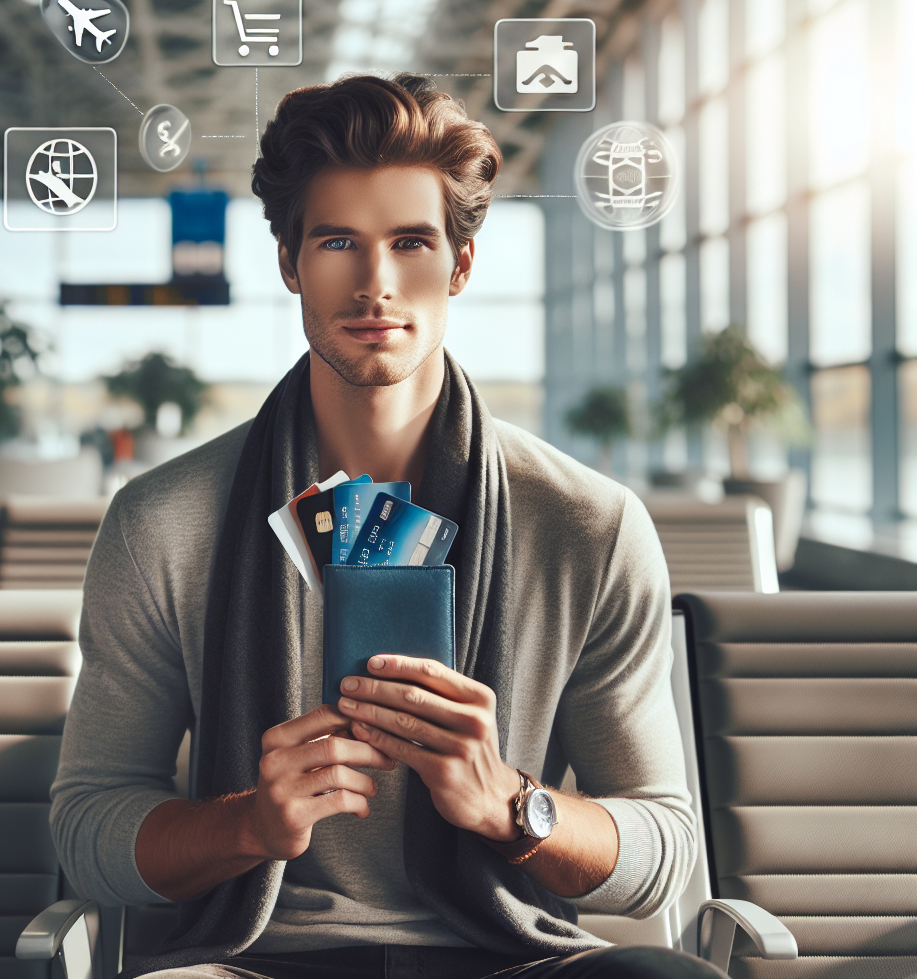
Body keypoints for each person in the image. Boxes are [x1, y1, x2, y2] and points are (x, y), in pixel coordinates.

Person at [51, 74, 722, 979]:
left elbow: (665, 851)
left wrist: (511, 805)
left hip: (509, 957)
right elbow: (88, 830)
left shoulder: (590, 525)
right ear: (289, 263)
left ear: (461, 265)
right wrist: (247, 823)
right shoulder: (162, 521)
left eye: (411, 243)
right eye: (337, 243)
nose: (375, 284)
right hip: (258, 958)